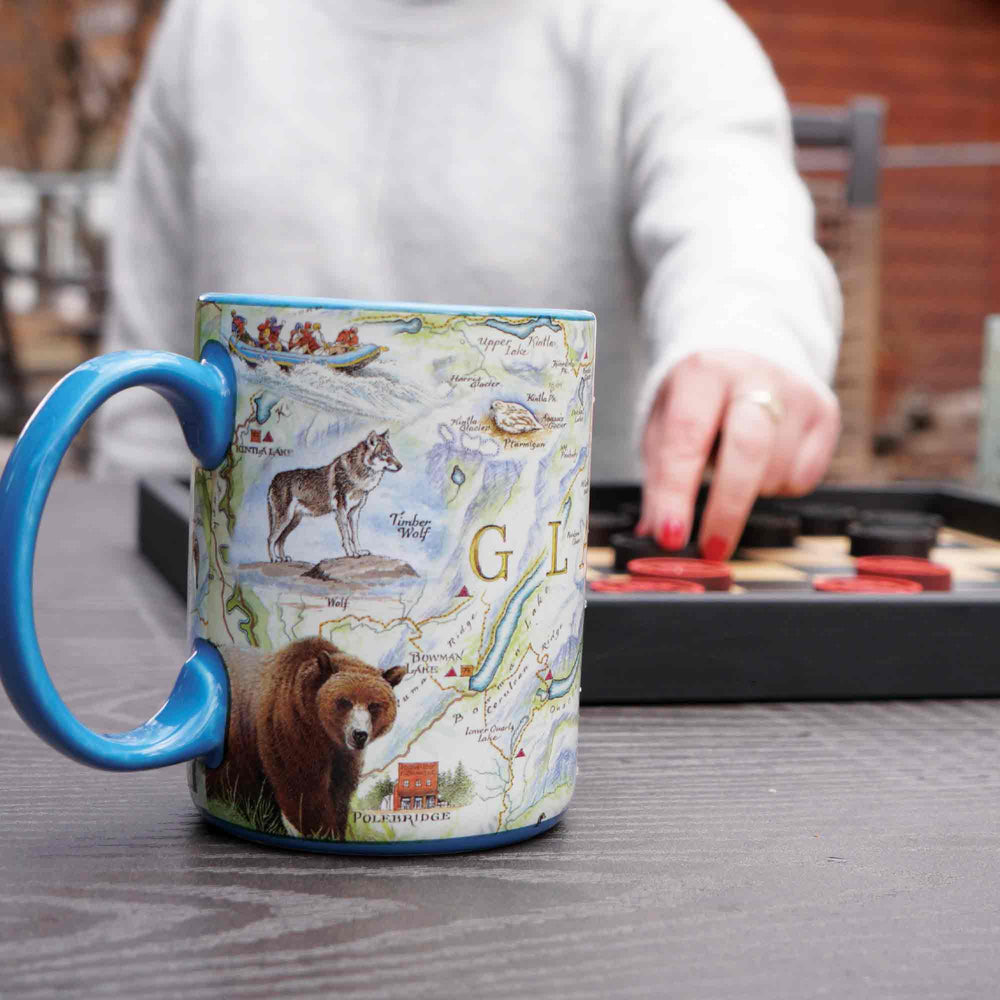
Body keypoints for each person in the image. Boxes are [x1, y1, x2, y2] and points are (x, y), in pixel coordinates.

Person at [94, 0, 841, 561]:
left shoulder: (662, 25)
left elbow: (740, 218)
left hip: (580, 649)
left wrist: (748, 339)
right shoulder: (210, 26)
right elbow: (144, 414)